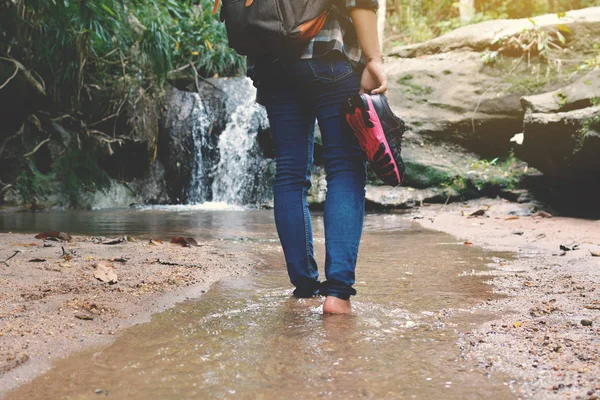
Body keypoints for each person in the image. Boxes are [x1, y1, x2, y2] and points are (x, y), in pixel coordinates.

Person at [250, 0, 387, 314]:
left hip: (273, 65)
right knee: (345, 168)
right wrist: (374, 58)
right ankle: (337, 296)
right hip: (329, 56)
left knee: (289, 173)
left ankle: (304, 288)